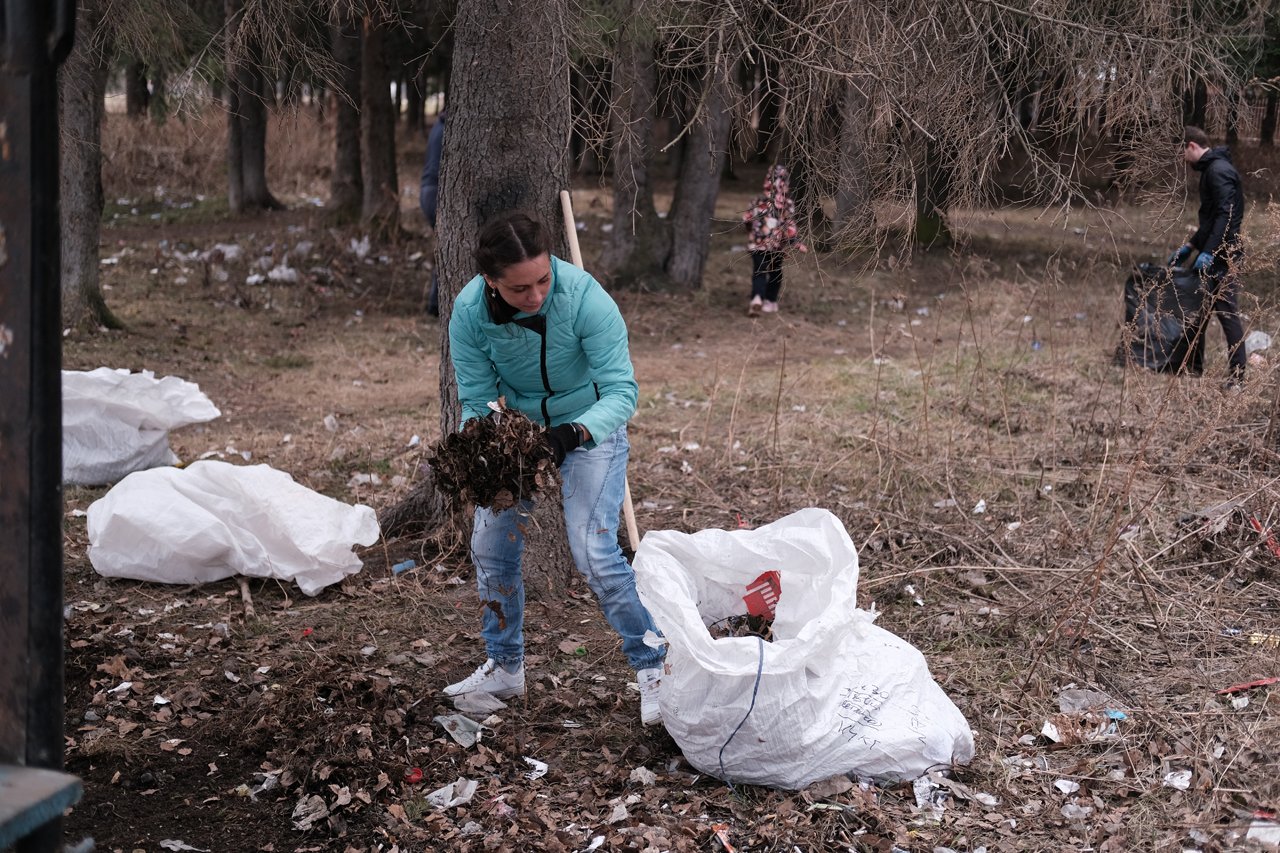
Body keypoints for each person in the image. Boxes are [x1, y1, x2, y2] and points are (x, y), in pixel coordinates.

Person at [444, 211, 665, 725]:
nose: (537, 295)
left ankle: (655, 665)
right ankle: (504, 666)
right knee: (489, 547)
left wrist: (571, 434)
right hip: (519, 433)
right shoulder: (469, 312)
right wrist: (492, 446)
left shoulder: (586, 299)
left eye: (544, 280)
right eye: (520, 288)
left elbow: (622, 392)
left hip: (589, 426)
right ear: (490, 281)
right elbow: (476, 398)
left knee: (593, 550)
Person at [1169, 125, 1247, 383]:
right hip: (1214, 252)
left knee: (1226, 314)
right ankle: (1192, 367)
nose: (1182, 158)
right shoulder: (1213, 169)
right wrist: (1191, 247)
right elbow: (1211, 219)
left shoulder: (1218, 171)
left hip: (1224, 256)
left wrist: (1210, 252)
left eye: (1182, 151)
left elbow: (1226, 216)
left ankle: (1237, 378)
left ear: (1192, 145)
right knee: (1197, 311)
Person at [742, 164, 805, 317]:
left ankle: (757, 297)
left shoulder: (757, 201)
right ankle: (770, 301)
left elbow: (746, 219)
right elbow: (789, 225)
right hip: (776, 246)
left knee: (759, 271)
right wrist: (794, 241)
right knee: (775, 272)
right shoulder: (786, 205)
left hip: (757, 244)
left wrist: (752, 232)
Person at [419, 110, 446, 316]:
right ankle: (435, 303)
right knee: (447, 246)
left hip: (429, 191)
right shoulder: (447, 127)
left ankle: (435, 303)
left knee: (444, 245)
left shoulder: (439, 125)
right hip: (435, 192)